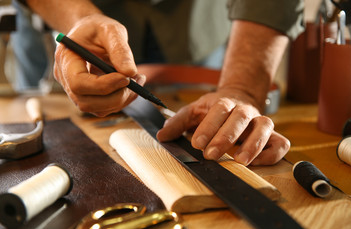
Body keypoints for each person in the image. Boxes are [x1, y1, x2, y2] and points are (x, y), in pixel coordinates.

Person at [19, 0, 304, 166]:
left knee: (218, 122)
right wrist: (79, 18)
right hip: (63, 14)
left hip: (195, 23)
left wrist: (240, 87)